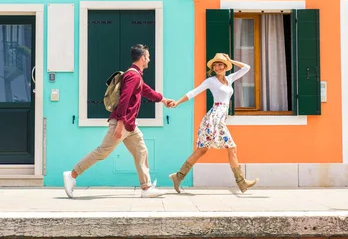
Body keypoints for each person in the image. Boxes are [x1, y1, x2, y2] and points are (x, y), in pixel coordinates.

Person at [63, 44, 174, 198]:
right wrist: (120, 123)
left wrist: (163, 100)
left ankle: (146, 188)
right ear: (142, 58)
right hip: (122, 123)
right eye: (148, 57)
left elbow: (146, 91)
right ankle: (72, 174)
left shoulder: (136, 76)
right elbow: (124, 99)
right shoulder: (133, 76)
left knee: (141, 151)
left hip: (130, 125)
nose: (149, 59)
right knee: (103, 152)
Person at [168, 53, 259, 193]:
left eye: (220, 64)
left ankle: (178, 176)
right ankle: (242, 182)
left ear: (225, 66)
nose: (217, 67)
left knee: (202, 150)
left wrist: (230, 60)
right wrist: (178, 102)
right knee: (232, 148)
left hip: (220, 117)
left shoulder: (229, 79)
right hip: (214, 118)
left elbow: (246, 68)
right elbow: (194, 92)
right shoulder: (211, 81)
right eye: (215, 65)